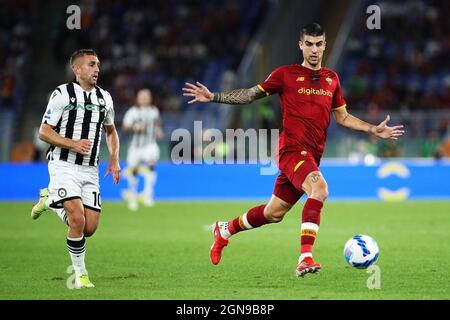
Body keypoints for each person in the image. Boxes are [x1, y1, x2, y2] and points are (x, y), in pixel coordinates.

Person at [182, 23, 404, 277]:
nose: (314, 49)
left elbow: (342, 117)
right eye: (308, 43)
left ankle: (224, 230)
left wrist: (372, 129)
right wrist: (214, 97)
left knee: (273, 213)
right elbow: (250, 95)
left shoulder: (332, 79)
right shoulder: (284, 74)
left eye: (318, 44)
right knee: (319, 189)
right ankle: (305, 258)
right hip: (291, 149)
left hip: (311, 156)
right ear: (301, 45)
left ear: (324, 45)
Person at [30, 49, 121, 288]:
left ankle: (49, 200)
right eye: (91, 65)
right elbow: (44, 131)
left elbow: (111, 132)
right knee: (77, 217)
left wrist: (114, 159)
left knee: (88, 227)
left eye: (98, 65)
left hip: (90, 170)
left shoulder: (105, 98)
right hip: (63, 164)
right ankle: (80, 275)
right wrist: (73, 143)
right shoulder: (62, 94)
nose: (97, 69)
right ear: (77, 69)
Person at [122, 88, 163, 211]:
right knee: (134, 171)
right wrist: (135, 127)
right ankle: (133, 196)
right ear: (138, 99)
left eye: (147, 96)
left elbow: (157, 123)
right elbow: (125, 127)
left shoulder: (154, 111)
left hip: (150, 144)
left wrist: (159, 130)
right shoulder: (133, 112)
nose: (145, 99)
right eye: (142, 97)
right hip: (136, 146)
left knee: (151, 165)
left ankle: (148, 195)